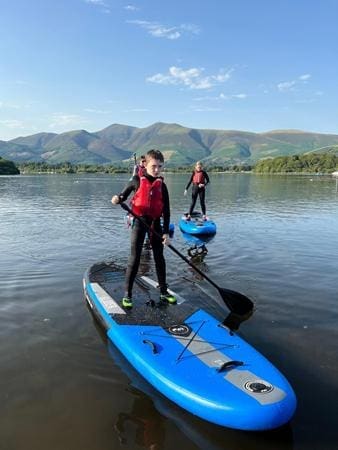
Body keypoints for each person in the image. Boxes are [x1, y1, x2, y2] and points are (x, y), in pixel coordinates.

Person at [111, 149, 176, 309]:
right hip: (139, 222)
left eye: (160, 166)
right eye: (154, 166)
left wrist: (166, 233)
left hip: (155, 223)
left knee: (159, 258)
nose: (157, 170)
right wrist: (116, 199)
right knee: (135, 257)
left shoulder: (163, 186)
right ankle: (128, 294)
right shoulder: (136, 180)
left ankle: (163, 291)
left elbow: (166, 212)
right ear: (145, 164)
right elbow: (122, 196)